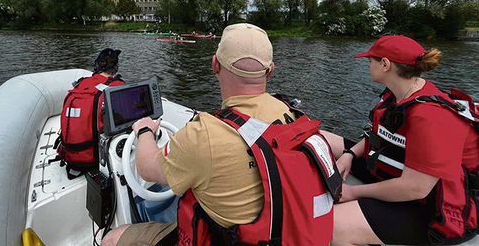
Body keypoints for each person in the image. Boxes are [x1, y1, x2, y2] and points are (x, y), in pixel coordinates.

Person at [102, 23, 338, 246]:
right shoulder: (292, 114)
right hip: (284, 233)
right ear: (270, 71)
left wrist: (144, 130)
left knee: (114, 237)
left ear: (215, 64)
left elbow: (146, 168)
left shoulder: (204, 134)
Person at [323, 35, 478, 246]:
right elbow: (378, 135)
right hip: (393, 172)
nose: (368, 65)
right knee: (323, 139)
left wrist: (352, 192)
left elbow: (416, 188)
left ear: (385, 64)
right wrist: (349, 155)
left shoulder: (431, 117)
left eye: (371, 61)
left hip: (428, 208)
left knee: (333, 226)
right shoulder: (398, 93)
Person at [58, 48, 125, 173]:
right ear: (116, 67)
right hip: (93, 159)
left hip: (69, 155)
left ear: (97, 65)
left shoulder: (81, 83)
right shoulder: (118, 86)